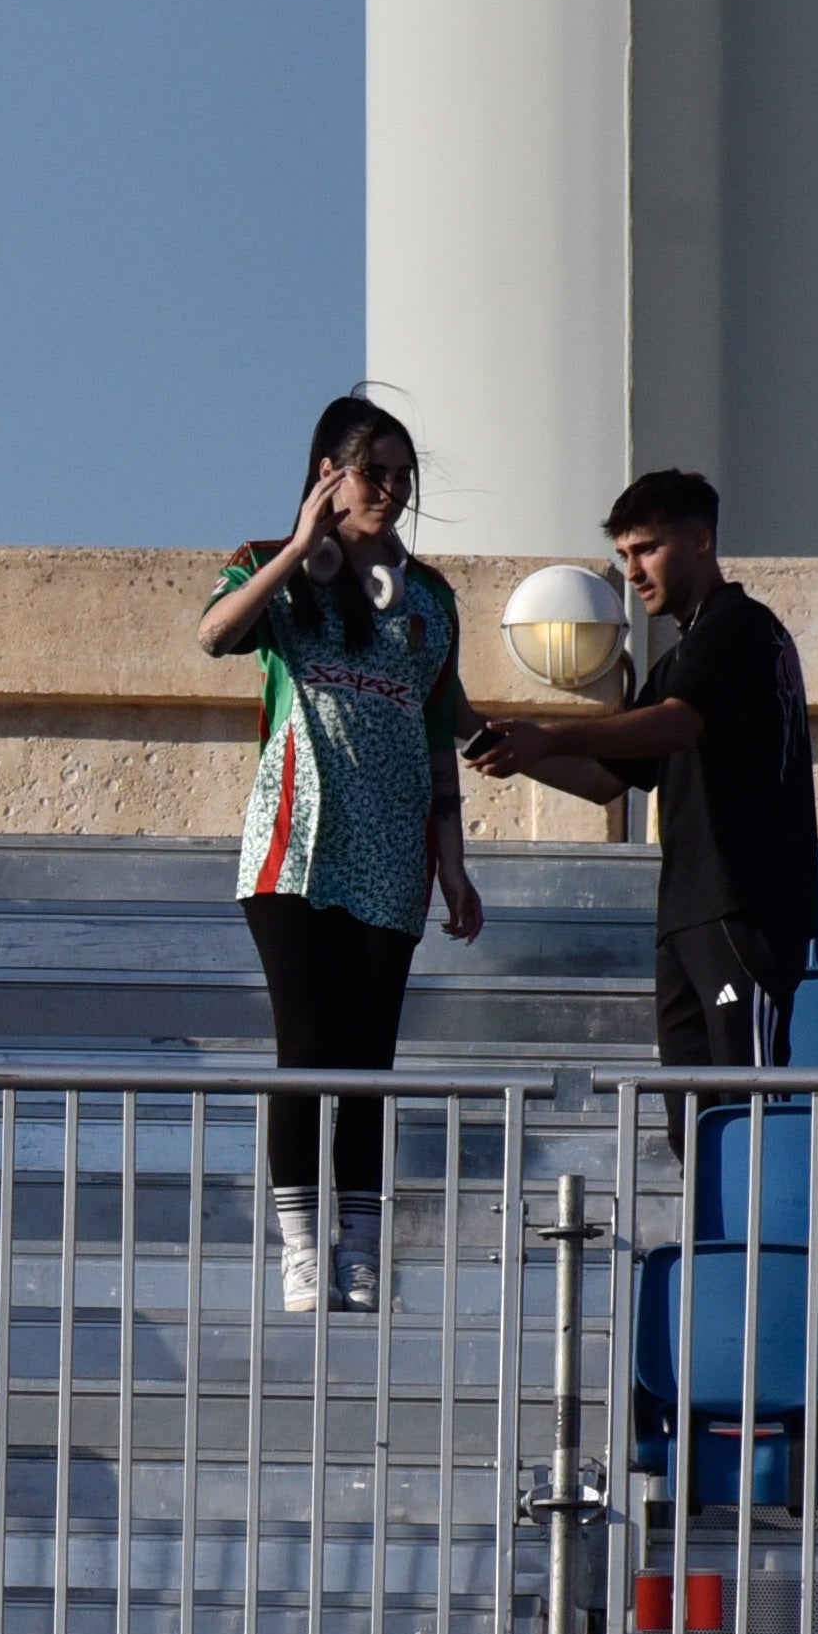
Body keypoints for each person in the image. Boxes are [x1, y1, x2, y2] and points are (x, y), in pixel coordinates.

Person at [200, 392, 482, 1317]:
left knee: (369, 1056)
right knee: (308, 1043)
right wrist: (296, 545)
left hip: (391, 851)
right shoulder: (270, 571)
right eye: (375, 472)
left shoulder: (430, 601)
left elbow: (441, 736)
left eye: (405, 476)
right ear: (331, 472)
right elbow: (213, 634)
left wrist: (453, 859)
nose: (392, 491)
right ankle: (300, 1244)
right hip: (295, 847)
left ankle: (360, 1244)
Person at [468, 468, 814, 1077]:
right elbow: (607, 778)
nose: (632, 572)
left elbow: (679, 724)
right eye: (624, 554)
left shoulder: (738, 625)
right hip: (689, 912)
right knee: (692, 1120)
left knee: (749, 1106)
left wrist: (546, 735)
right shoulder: (683, 653)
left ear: (701, 540)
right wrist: (509, 747)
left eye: (647, 548)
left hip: (743, 903)